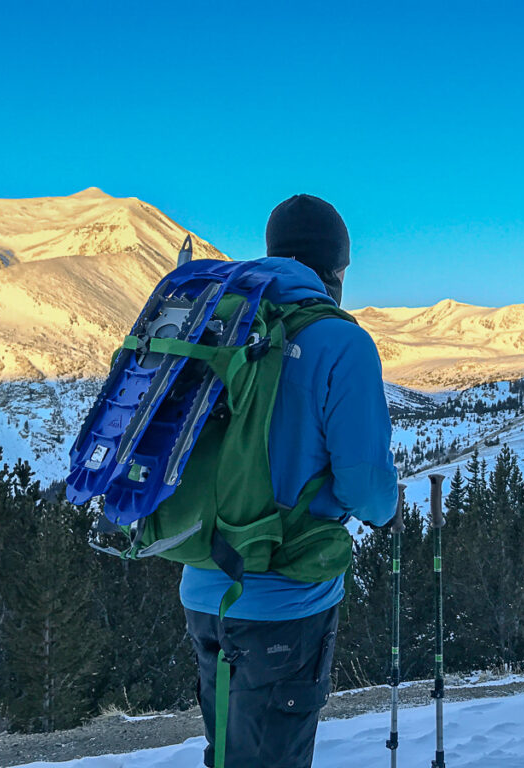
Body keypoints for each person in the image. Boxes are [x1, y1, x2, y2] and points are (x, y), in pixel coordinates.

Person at [180, 194, 399, 768]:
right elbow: (368, 488)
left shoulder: (223, 319)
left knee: (230, 754)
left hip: (205, 588)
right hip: (285, 601)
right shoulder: (340, 342)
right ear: (338, 268)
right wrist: (384, 512)